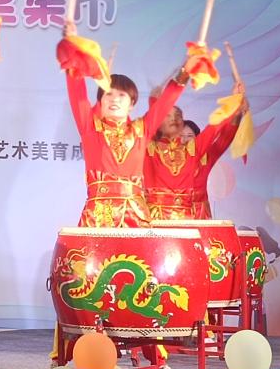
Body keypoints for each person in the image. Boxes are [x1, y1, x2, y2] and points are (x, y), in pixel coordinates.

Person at [58, 19, 198, 227]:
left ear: (132, 104)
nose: (114, 99)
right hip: (98, 217)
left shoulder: (141, 130)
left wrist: (186, 70)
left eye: (122, 95)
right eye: (108, 94)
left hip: (135, 216)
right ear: (101, 102)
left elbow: (166, 101)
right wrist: (72, 48)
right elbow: (77, 92)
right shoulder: (91, 127)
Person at [144, 83, 246, 221]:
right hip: (156, 218)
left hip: (192, 216)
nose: (173, 120)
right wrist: (156, 102)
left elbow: (216, 128)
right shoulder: (149, 148)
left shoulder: (196, 151)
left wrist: (235, 106)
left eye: (177, 118)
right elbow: (149, 124)